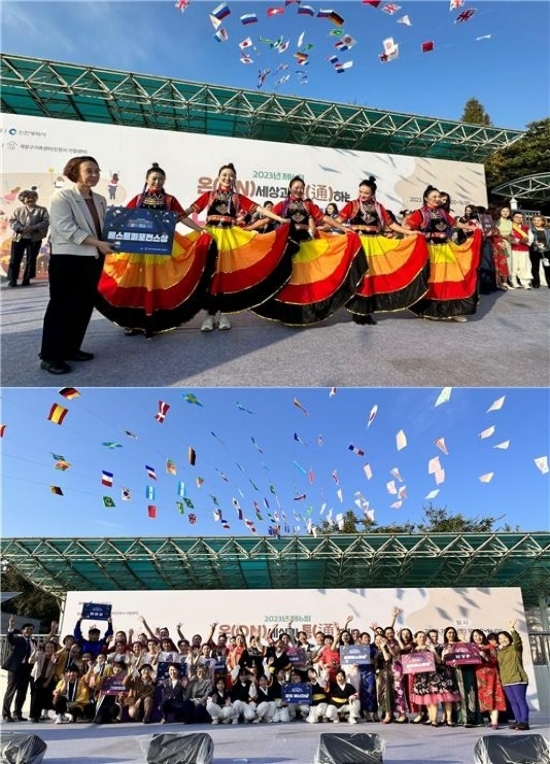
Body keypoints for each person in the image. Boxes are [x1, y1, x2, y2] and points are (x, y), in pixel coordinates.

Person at [96, 162, 213, 339]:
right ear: (147, 179)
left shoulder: (169, 200)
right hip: (137, 249)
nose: (157, 182)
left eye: (160, 179)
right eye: (154, 178)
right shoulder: (137, 199)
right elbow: (124, 219)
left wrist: (200, 230)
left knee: (157, 283)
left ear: (164, 181)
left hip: (162, 247)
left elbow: (182, 218)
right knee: (134, 281)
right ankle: (131, 322)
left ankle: (154, 320)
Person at [182, 163, 291, 332]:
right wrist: (171, 220)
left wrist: (281, 219)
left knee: (226, 277)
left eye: (231, 175)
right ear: (218, 177)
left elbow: (259, 209)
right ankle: (209, 316)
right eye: (225, 175)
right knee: (210, 276)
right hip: (211, 238)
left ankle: (225, 314)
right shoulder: (209, 195)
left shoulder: (237, 197)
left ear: (234, 179)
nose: (228, 178)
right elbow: (187, 211)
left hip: (230, 239)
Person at [252, 176, 366, 325]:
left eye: (301, 188)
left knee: (305, 280)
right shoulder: (282, 205)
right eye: (296, 187)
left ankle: (305, 313)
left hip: (305, 243)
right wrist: (248, 228)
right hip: (288, 243)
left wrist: (344, 228)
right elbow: (267, 220)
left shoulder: (307, 205)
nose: (299, 190)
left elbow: (324, 218)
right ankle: (286, 313)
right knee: (287, 279)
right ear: (290, 189)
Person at [39, 155, 115, 375]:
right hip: (68, 258)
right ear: (75, 172)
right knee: (61, 306)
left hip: (93, 258)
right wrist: (99, 243)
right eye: (89, 170)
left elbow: (104, 228)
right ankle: (51, 356)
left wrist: (115, 241)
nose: (94, 175)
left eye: (97, 171)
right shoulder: (61, 196)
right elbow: (66, 229)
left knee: (83, 306)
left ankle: (72, 348)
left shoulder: (100, 199)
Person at [336, 177, 427, 325]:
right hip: (357, 244)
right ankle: (356, 311)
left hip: (374, 245)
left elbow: (392, 225)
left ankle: (365, 312)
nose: (362, 195)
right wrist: (324, 228)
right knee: (359, 275)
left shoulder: (379, 207)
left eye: (366, 192)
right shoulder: (352, 205)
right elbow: (338, 221)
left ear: (372, 194)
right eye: (360, 191)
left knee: (370, 277)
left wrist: (410, 233)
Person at [406, 186, 481, 322]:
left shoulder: (442, 212)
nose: (437, 199)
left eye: (438, 196)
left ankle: (455, 311)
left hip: (445, 249)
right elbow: (408, 228)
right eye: (434, 196)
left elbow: (455, 223)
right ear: (426, 198)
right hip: (429, 251)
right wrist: (416, 235)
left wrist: (471, 227)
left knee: (453, 278)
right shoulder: (420, 213)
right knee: (433, 281)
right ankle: (432, 310)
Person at [7, 189, 49, 287]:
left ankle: (26, 279)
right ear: (23, 199)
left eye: (33, 197)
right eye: (28, 197)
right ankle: (13, 280)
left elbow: (46, 222)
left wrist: (33, 228)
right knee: (15, 259)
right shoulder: (18, 210)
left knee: (31, 259)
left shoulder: (42, 210)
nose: (31, 199)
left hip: (34, 239)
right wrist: (21, 228)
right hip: (19, 238)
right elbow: (12, 221)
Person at [2, 616, 37, 722]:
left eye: (31, 629)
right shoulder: (18, 639)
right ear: (22, 631)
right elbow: (9, 639)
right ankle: (6, 714)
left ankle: (17, 713)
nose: (29, 631)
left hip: (26, 669)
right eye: (27, 629)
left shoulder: (34, 642)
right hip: (15, 668)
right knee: (11, 691)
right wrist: (11, 627)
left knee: (22, 692)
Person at [497, 620, 530, 730]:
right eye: (500, 639)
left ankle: (524, 722)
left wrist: (512, 629)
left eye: (504, 637)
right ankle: (518, 721)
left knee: (520, 700)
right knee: (513, 702)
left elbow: (518, 642)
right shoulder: (500, 652)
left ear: (509, 637)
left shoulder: (515, 648)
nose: (503, 640)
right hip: (506, 681)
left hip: (518, 679)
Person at [471, 629, 506, 729]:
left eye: (480, 635)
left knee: (493, 696)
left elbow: (495, 660)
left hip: (491, 675)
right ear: (473, 638)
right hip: (479, 676)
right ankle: (492, 720)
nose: (478, 637)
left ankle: (495, 722)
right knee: (486, 699)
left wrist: (485, 656)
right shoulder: (472, 648)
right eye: (475, 636)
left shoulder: (490, 646)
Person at [29, 639, 61, 722]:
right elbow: (30, 661)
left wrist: (47, 682)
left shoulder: (54, 657)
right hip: (36, 677)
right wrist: (35, 651)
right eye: (47, 647)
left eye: (51, 647)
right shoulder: (39, 654)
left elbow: (52, 671)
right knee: (35, 697)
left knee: (41, 697)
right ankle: (33, 716)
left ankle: (38, 715)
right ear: (44, 648)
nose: (49, 649)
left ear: (54, 649)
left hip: (46, 678)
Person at [509, 211, 532, 288]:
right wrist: (519, 240)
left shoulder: (526, 227)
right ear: (513, 218)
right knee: (514, 266)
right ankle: (514, 282)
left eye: (520, 217)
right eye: (517, 217)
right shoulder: (510, 226)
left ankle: (525, 282)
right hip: (513, 249)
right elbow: (509, 236)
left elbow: (531, 237)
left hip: (524, 249)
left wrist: (527, 240)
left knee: (524, 266)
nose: (519, 219)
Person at [528, 214, 550, 288]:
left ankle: (549, 282)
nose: (536, 222)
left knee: (547, 267)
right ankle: (536, 283)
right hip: (535, 251)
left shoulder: (548, 230)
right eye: (534, 220)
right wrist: (535, 243)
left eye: (538, 220)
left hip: (546, 251)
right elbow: (529, 241)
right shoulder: (531, 230)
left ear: (543, 221)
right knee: (535, 267)